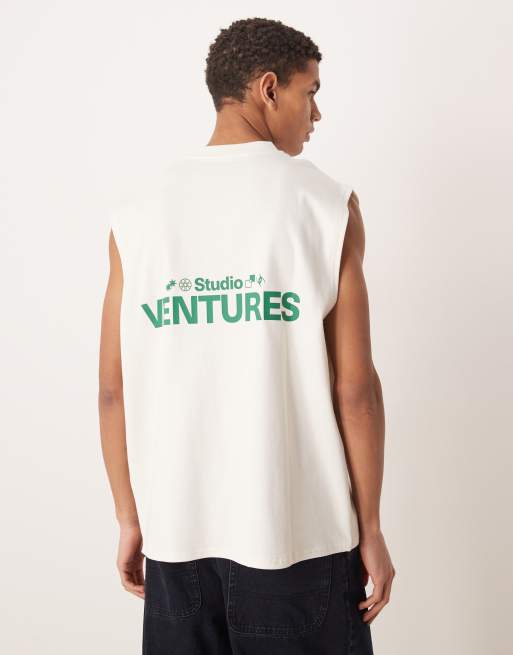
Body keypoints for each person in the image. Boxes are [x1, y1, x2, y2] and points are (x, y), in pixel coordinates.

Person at [98, 16, 395, 655]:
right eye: (310, 93)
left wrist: (129, 518)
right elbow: (356, 392)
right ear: (268, 88)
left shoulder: (136, 215)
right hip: (302, 542)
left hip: (177, 543)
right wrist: (370, 525)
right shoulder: (325, 205)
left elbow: (113, 391)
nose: (316, 114)